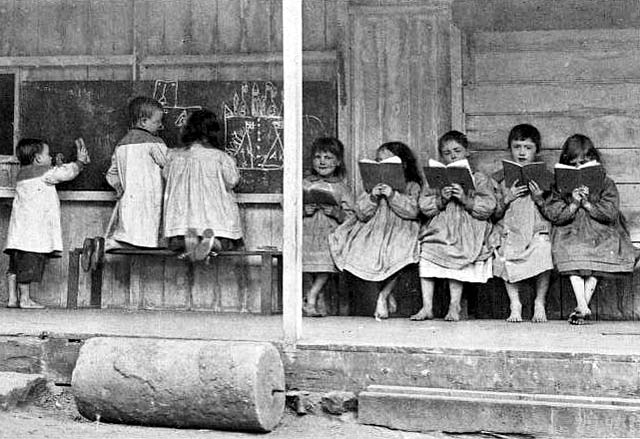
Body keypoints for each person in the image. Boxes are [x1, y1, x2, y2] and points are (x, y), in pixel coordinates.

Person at [531, 134, 636, 325]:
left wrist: (587, 204)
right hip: (570, 231)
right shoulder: (560, 185)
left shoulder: (606, 182)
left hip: (601, 231)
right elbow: (556, 215)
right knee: (570, 251)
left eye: (584, 163)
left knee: (599, 254)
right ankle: (582, 304)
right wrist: (573, 204)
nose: (579, 167)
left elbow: (610, 213)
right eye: (575, 164)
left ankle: (581, 306)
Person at [329, 141, 421, 320]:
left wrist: (393, 195)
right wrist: (372, 197)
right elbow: (361, 214)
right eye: (378, 162)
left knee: (402, 251)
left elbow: (413, 211)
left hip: (401, 228)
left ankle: (384, 295)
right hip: (375, 228)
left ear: (403, 164)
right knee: (361, 249)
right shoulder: (371, 187)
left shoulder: (412, 186)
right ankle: (385, 293)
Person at [412, 131, 497, 322]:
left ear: (466, 152)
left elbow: (489, 206)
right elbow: (424, 206)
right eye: (447, 152)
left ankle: (454, 304)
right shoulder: (434, 178)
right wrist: (442, 198)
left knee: (457, 248)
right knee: (427, 249)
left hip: (468, 225)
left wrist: (466, 199)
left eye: (457, 151)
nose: (452, 156)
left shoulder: (479, 178)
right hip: (441, 226)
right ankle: (427, 306)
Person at [5, 138, 90, 308]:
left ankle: (13, 298)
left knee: (15, 267)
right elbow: (66, 173)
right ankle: (25, 299)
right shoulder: (44, 173)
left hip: (19, 233)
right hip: (33, 234)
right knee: (29, 266)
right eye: (47, 154)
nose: (50, 157)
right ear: (37, 159)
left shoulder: (24, 173)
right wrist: (80, 162)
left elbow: (54, 171)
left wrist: (56, 165)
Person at [491, 124, 553, 322]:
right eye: (517, 147)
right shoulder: (499, 179)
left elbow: (552, 211)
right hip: (511, 229)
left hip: (537, 229)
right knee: (504, 252)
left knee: (543, 248)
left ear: (537, 150)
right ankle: (515, 303)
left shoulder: (548, 179)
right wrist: (507, 197)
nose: (522, 152)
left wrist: (539, 197)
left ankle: (539, 302)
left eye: (528, 148)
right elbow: (494, 213)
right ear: (510, 148)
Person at [163, 109, 243, 261]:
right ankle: (214, 243)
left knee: (176, 243)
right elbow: (232, 180)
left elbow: (166, 176)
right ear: (213, 133)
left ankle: (188, 242)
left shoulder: (174, 156)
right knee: (228, 243)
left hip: (182, 221)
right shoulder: (220, 157)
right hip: (214, 220)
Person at [102, 96, 168, 254]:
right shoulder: (155, 143)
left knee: (131, 232)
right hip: (150, 195)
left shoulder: (121, 145)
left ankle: (112, 243)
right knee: (149, 234)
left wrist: (118, 187)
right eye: (157, 122)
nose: (161, 126)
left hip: (130, 196)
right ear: (144, 121)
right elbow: (168, 166)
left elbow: (112, 173)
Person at [302, 137, 353, 317]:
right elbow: (288, 205)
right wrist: (303, 210)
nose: (322, 161)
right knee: (308, 268)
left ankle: (311, 297)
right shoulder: (304, 183)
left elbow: (352, 216)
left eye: (328, 157)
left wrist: (336, 212)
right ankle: (315, 303)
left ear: (338, 161)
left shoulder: (342, 188)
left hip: (329, 235)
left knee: (326, 267)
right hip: (306, 234)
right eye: (318, 157)